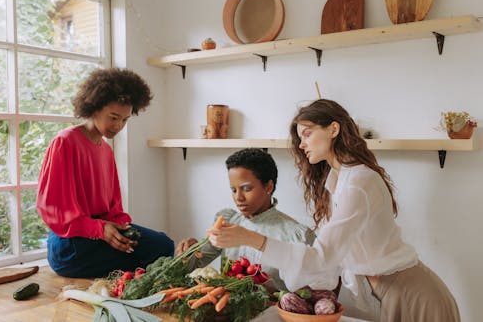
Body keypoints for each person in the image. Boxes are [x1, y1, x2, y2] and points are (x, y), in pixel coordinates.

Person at [208, 99, 460, 321]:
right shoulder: (337, 182)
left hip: (414, 295)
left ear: (333, 129)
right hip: (389, 293)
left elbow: (321, 258)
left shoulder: (359, 182)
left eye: (307, 134)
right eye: (299, 137)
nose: (302, 144)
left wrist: (251, 239)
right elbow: (326, 265)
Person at [36, 68, 174, 278]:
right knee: (153, 256)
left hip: (100, 235)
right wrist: (100, 229)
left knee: (163, 245)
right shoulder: (65, 142)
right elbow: (53, 210)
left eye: (125, 120)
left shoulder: (105, 150)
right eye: (113, 117)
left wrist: (121, 230)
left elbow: (112, 207)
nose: (118, 126)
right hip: (71, 244)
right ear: (94, 108)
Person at [175, 148, 315, 291]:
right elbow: (191, 266)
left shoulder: (297, 235)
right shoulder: (227, 223)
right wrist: (188, 252)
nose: (238, 198)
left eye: (247, 189)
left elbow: (320, 291)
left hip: (275, 312)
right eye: (234, 190)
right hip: (226, 311)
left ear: (269, 186)